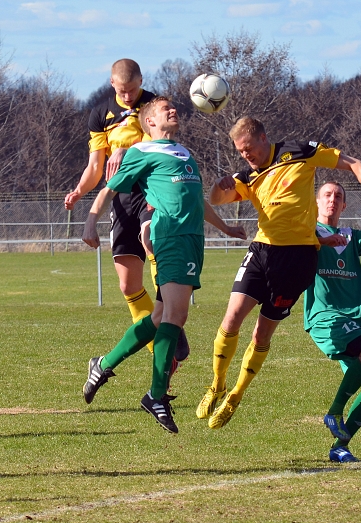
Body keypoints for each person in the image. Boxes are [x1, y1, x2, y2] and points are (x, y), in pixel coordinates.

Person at [197, 116, 361, 430]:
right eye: (240, 151)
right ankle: (217, 384)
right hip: (262, 251)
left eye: (248, 148)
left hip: (297, 260)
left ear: (263, 138)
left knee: (261, 334)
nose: (245, 155)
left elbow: (354, 163)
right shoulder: (249, 176)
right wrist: (219, 186)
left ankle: (236, 394)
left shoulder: (300, 152)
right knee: (231, 319)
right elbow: (216, 199)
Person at [80, 96, 244, 433]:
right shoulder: (141, 151)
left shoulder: (184, 152)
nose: (173, 110)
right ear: (150, 122)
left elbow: (196, 200)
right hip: (170, 236)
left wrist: (226, 228)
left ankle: (103, 364)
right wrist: (90, 221)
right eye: (164, 109)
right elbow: (109, 189)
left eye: (173, 107)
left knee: (158, 317)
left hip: (192, 240)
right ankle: (156, 395)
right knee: (176, 315)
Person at [64, 58, 191, 369]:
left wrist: (126, 149)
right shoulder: (100, 114)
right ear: (112, 84)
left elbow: (161, 142)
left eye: (133, 90)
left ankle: (169, 322)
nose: (128, 95)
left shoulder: (155, 104)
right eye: (122, 91)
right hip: (121, 195)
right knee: (127, 285)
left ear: (141, 82)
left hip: (151, 189)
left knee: (151, 243)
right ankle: (158, 341)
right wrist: (80, 190)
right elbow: (97, 165)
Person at [304, 180, 361, 463]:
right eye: (327, 195)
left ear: (344, 205)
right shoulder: (307, 233)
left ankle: (340, 446)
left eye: (338, 196)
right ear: (317, 202)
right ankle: (334, 412)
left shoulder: (350, 236)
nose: (332, 199)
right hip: (326, 317)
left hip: (354, 321)